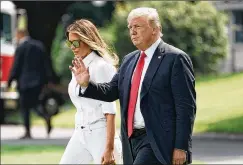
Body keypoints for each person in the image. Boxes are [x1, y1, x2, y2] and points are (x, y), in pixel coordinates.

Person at [71, 7, 197, 165]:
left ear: (155, 29)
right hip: (131, 140)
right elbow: (111, 91)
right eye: (130, 27)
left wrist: (181, 147)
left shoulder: (175, 58)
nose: (132, 31)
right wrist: (86, 84)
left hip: (157, 141)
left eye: (137, 26)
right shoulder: (130, 60)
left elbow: (185, 107)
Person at [59, 19, 122, 165]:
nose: (72, 47)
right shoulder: (79, 66)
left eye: (76, 42)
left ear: (88, 40)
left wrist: (109, 148)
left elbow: (110, 112)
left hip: (100, 134)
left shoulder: (101, 67)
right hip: (80, 133)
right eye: (70, 43)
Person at [7, 29, 52, 139]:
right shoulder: (39, 46)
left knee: (25, 107)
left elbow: (16, 66)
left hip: (24, 82)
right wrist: (47, 81)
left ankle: (27, 132)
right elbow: (45, 64)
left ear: (20, 34)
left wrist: (10, 81)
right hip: (38, 82)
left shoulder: (21, 48)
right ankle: (45, 116)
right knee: (35, 104)